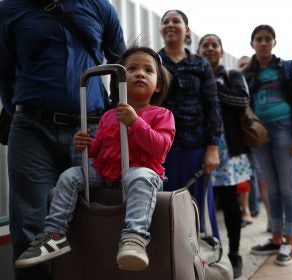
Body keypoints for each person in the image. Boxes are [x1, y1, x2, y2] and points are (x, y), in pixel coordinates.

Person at [14, 46, 175, 272]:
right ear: (119, 80)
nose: (140, 73)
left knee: (140, 176)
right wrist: (86, 145)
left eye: (148, 70)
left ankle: (134, 238)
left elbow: (160, 148)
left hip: (141, 172)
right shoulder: (109, 115)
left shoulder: (162, 115)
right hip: (107, 173)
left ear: (157, 84)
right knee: (70, 175)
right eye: (132, 69)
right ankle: (54, 235)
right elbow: (101, 150)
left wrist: (135, 122)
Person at [0, 0, 126, 278]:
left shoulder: (99, 6)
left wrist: (114, 124)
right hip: (32, 131)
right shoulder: (9, 9)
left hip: (90, 130)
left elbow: (122, 65)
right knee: (31, 226)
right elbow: (5, 75)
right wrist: (28, 111)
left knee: (93, 219)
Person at [244, 24, 292, 266]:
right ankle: (275, 238)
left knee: (287, 188)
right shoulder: (247, 73)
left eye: (268, 39)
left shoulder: (287, 67)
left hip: (286, 130)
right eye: (259, 39)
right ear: (252, 44)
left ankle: (290, 242)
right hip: (259, 135)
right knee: (271, 189)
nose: (263, 43)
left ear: (274, 43)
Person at [158, 10, 222, 239]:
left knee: (197, 209)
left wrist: (213, 148)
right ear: (160, 29)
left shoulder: (201, 64)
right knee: (162, 209)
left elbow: (212, 106)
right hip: (159, 148)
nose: (170, 25)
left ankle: (202, 263)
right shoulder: (154, 61)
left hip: (195, 147)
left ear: (187, 30)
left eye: (176, 21)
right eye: (166, 21)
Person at [197, 33, 251, 278]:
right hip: (199, 147)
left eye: (214, 45)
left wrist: (213, 87)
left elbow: (242, 100)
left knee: (230, 205)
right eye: (205, 45)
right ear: (198, 50)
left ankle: (235, 253)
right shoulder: (193, 74)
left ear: (221, 50)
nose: (209, 49)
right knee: (202, 205)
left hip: (227, 149)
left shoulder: (232, 76)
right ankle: (203, 255)